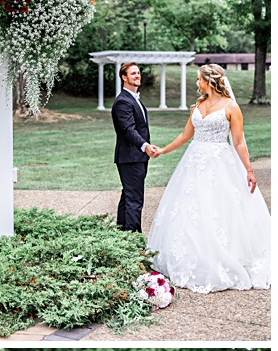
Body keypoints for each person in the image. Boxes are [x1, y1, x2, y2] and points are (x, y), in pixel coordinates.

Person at [145, 62, 270, 290]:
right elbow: (185, 135)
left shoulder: (231, 107)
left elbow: (239, 142)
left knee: (219, 209)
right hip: (193, 162)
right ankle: (190, 257)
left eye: (199, 79)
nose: (196, 83)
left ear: (209, 80)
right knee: (188, 209)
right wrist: (163, 150)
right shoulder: (198, 105)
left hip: (220, 162)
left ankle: (223, 258)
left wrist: (249, 170)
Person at [111, 61, 156, 232]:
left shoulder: (134, 99)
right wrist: (145, 146)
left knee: (129, 195)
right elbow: (129, 130)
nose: (137, 76)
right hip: (130, 157)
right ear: (124, 77)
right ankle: (134, 240)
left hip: (136, 157)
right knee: (134, 199)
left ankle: (122, 234)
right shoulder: (123, 102)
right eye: (133, 73)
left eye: (138, 73)